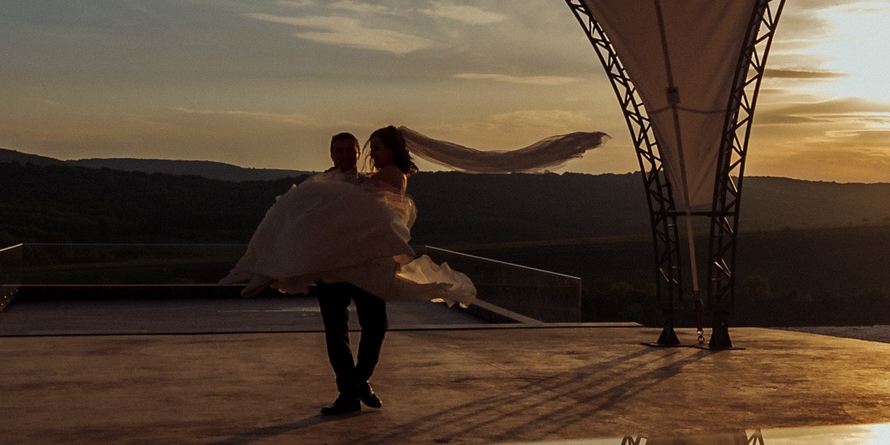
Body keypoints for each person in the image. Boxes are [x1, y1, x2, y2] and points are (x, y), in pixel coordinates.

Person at [222, 123, 610, 417]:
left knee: (376, 325)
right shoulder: (328, 185)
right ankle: (349, 392)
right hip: (332, 269)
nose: (361, 153)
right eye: (344, 149)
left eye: (363, 148)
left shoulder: (378, 179)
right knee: (335, 330)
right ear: (332, 153)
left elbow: (375, 212)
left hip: (368, 266)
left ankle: (358, 382)